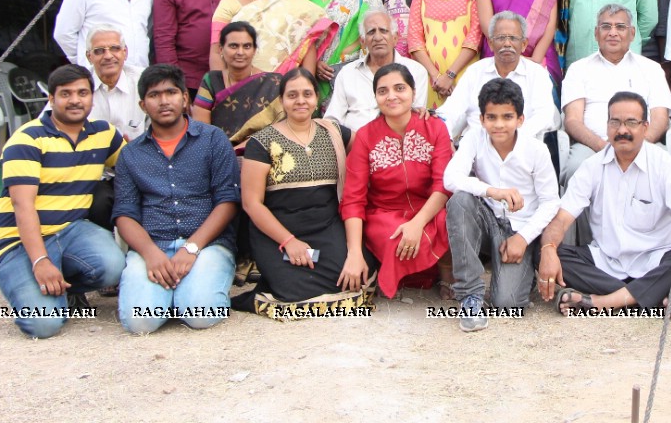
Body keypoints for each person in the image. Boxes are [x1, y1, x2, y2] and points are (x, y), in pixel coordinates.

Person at [536, 92, 671, 313]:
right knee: (542, 250)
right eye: (615, 122)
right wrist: (548, 249)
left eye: (631, 122)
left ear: (645, 127)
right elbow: (561, 219)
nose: (622, 130)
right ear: (607, 125)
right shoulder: (592, 167)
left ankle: (604, 302)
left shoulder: (665, 165)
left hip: (656, 260)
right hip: (606, 262)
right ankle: (650, 298)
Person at [0, 65, 126, 338]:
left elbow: (136, 166)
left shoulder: (104, 135)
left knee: (115, 268)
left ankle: (59, 288)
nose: (75, 100)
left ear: (91, 98)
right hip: (18, 242)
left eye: (82, 93)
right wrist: (40, 260)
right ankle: (36, 288)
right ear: (51, 99)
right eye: (66, 94)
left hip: (71, 229)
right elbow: (22, 205)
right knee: (44, 324)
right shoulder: (27, 139)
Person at [113, 64, 240, 334]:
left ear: (185, 98)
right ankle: (172, 294)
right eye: (154, 95)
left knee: (199, 315)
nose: (163, 101)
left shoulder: (213, 140)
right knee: (140, 322)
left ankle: (185, 294)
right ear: (143, 104)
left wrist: (192, 248)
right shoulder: (131, 154)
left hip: (207, 244)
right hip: (154, 244)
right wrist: (150, 254)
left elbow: (228, 201)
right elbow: (124, 213)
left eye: (171, 92)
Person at [240, 69, 376, 316]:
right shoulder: (261, 142)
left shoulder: (334, 132)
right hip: (278, 231)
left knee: (353, 276)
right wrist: (288, 242)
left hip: (326, 227)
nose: (300, 101)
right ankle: (270, 282)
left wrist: (414, 116)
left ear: (316, 99)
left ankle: (288, 274)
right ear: (282, 100)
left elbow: (371, 143)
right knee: (293, 291)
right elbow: (252, 204)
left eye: (307, 94)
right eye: (292, 95)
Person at [443, 78, 560, 330]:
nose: (499, 125)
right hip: (487, 219)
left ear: (520, 119)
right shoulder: (474, 137)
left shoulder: (536, 150)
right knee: (460, 201)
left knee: (507, 305)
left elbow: (551, 202)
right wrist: (493, 191)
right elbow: (451, 178)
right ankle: (470, 295)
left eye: (507, 117)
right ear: (482, 119)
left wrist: (524, 238)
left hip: (520, 229)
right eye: (491, 117)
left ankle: (524, 273)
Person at [340, 64, 454, 299]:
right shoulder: (365, 136)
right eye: (383, 91)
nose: (391, 96)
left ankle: (448, 276)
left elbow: (443, 184)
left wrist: (417, 223)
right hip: (384, 213)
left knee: (450, 220)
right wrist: (353, 252)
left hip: (430, 208)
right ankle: (398, 276)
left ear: (413, 92)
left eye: (399, 88)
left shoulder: (434, 128)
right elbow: (353, 198)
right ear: (376, 98)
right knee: (394, 237)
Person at [560, 4, 671, 185]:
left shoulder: (651, 69)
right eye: (606, 27)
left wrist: (636, 146)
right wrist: (603, 147)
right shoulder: (578, 69)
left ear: (632, 33)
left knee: (667, 168)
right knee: (577, 167)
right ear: (596, 33)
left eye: (620, 27)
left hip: (643, 146)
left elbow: (660, 119)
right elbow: (572, 120)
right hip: (592, 147)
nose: (613, 32)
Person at [437, 11, 559, 141]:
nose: (507, 43)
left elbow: (543, 116)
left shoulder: (537, 73)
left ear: (523, 44)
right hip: (477, 150)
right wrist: (443, 134)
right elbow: (452, 110)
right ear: (490, 43)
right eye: (501, 38)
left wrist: (509, 139)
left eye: (513, 38)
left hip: (521, 149)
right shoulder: (475, 72)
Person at [407, 0, 481, 109]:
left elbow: (475, 35)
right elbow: (415, 38)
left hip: (466, 72)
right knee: (434, 128)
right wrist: (436, 76)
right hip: (431, 78)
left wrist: (450, 75)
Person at [324, 8, 430, 133]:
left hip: (397, 143)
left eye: (384, 31)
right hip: (353, 146)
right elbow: (332, 120)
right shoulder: (347, 73)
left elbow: (417, 117)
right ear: (363, 41)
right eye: (371, 32)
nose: (377, 37)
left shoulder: (416, 71)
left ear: (395, 38)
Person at [192, 21, 283, 148]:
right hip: (218, 154)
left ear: (254, 50)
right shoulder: (211, 81)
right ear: (221, 49)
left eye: (246, 46)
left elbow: (281, 129)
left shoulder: (273, 83)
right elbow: (201, 131)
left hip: (261, 154)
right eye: (234, 46)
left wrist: (241, 150)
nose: (240, 52)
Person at [83, 26, 146, 142]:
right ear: (89, 57)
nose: (108, 56)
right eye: (99, 51)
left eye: (114, 48)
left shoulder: (145, 81)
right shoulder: (76, 84)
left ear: (125, 52)